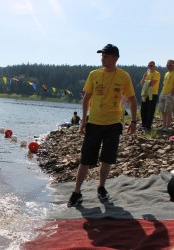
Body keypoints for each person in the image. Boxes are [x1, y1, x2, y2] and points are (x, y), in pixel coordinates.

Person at [67, 44, 137, 207]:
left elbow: (132, 99)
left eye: (105, 56)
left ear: (115, 58)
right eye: (102, 55)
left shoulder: (124, 76)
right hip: (94, 124)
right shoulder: (94, 74)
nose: (102, 58)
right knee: (85, 159)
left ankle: (101, 187)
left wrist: (133, 121)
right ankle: (76, 192)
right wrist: (83, 121)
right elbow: (86, 99)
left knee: (107, 159)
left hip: (113, 124)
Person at [140, 61, 161, 131]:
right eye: (149, 65)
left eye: (151, 65)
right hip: (145, 94)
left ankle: (148, 126)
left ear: (154, 66)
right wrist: (144, 76)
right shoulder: (147, 74)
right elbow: (142, 83)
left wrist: (147, 82)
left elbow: (152, 83)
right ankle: (143, 125)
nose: (150, 66)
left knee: (150, 110)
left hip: (153, 94)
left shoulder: (157, 73)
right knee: (143, 110)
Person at [158, 60, 174, 131]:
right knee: (162, 110)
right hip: (163, 92)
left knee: (168, 110)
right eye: (167, 65)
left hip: (170, 94)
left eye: (170, 65)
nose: (168, 66)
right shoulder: (167, 73)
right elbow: (165, 83)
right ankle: (163, 125)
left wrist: (172, 92)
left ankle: (167, 126)